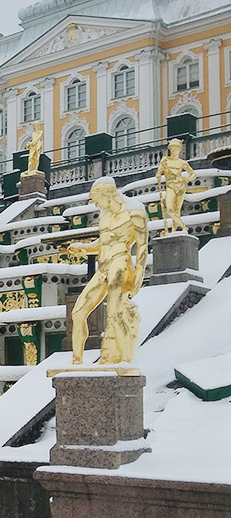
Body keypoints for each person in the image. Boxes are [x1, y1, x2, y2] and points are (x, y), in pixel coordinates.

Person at [64, 176, 148, 365]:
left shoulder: (135, 213)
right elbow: (103, 243)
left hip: (120, 264)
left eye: (96, 199)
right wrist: (83, 247)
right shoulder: (105, 215)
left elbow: (143, 245)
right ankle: (77, 360)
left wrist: (139, 273)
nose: (95, 204)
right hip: (103, 268)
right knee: (77, 313)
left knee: (115, 313)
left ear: (107, 194)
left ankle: (126, 362)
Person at [156, 138, 196, 235]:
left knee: (177, 210)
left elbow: (193, 174)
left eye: (176, 149)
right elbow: (158, 173)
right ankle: (183, 227)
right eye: (172, 149)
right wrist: (159, 173)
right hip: (170, 186)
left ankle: (174, 231)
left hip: (180, 186)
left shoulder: (182, 163)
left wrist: (186, 179)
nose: (174, 151)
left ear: (179, 150)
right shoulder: (165, 160)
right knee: (170, 210)